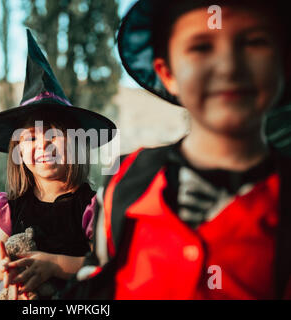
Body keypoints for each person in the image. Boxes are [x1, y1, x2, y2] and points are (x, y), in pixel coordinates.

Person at [63, 0, 291, 299]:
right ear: (167, 73)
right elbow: (98, 281)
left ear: (283, 63)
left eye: (254, 42)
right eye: (201, 47)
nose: (229, 66)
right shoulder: (128, 179)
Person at [0, 30, 116, 300]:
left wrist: (52, 265)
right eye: (29, 138)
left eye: (54, 135)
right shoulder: (13, 205)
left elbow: (100, 262)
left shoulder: (90, 207)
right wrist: (7, 269)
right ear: (18, 151)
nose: (42, 145)